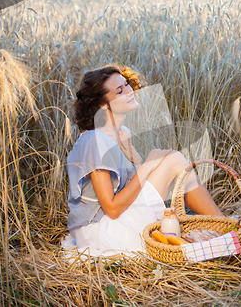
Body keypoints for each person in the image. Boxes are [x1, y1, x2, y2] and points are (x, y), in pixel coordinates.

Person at [66, 64, 224, 257]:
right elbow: (112, 208)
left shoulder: (122, 135)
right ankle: (224, 226)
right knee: (174, 160)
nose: (129, 91)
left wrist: (139, 161)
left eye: (126, 85)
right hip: (102, 231)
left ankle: (221, 224)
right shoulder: (94, 140)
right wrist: (148, 165)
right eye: (119, 91)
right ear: (103, 105)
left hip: (122, 217)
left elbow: (133, 188)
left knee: (174, 160)